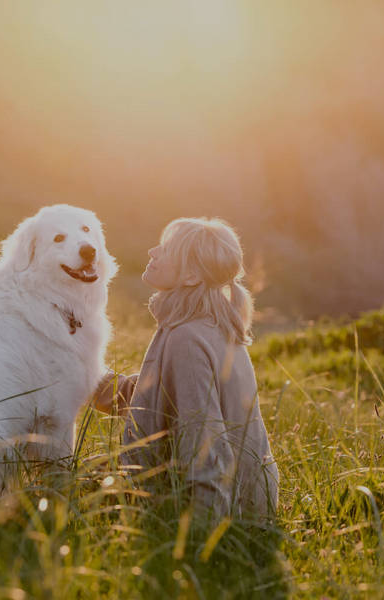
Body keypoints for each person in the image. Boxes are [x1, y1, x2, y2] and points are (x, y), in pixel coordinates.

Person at [94, 217, 279, 519]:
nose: (152, 252)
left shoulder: (188, 337)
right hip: (248, 499)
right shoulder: (205, 324)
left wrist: (203, 536)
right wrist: (84, 376)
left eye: (166, 249)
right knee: (94, 472)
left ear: (192, 276)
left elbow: (204, 441)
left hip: (230, 511)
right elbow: (159, 397)